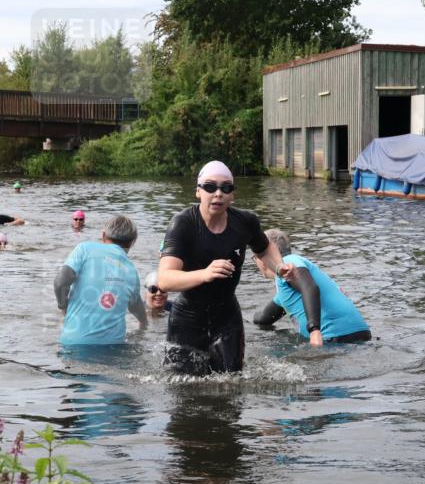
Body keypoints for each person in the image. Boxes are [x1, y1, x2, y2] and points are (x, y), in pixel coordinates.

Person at [158, 160, 295, 374]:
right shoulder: (183, 223)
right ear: (198, 191)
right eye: (210, 187)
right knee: (183, 390)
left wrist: (279, 267)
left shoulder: (245, 221)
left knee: (232, 382)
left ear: (233, 195)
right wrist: (205, 274)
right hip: (188, 317)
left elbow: (264, 248)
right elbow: (164, 279)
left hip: (227, 315)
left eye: (226, 188)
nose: (218, 193)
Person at [253, 229, 371, 348]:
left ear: (264, 255)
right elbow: (264, 318)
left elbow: (309, 287)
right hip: (359, 335)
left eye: (255, 256)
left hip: (333, 338)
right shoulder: (287, 287)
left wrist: (314, 330)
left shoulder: (289, 261)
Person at [54, 214, 148, 345]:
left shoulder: (84, 249)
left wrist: (63, 308)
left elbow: (60, 282)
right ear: (132, 242)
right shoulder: (131, 269)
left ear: (103, 235)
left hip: (74, 343)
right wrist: (144, 325)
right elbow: (135, 306)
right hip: (114, 347)